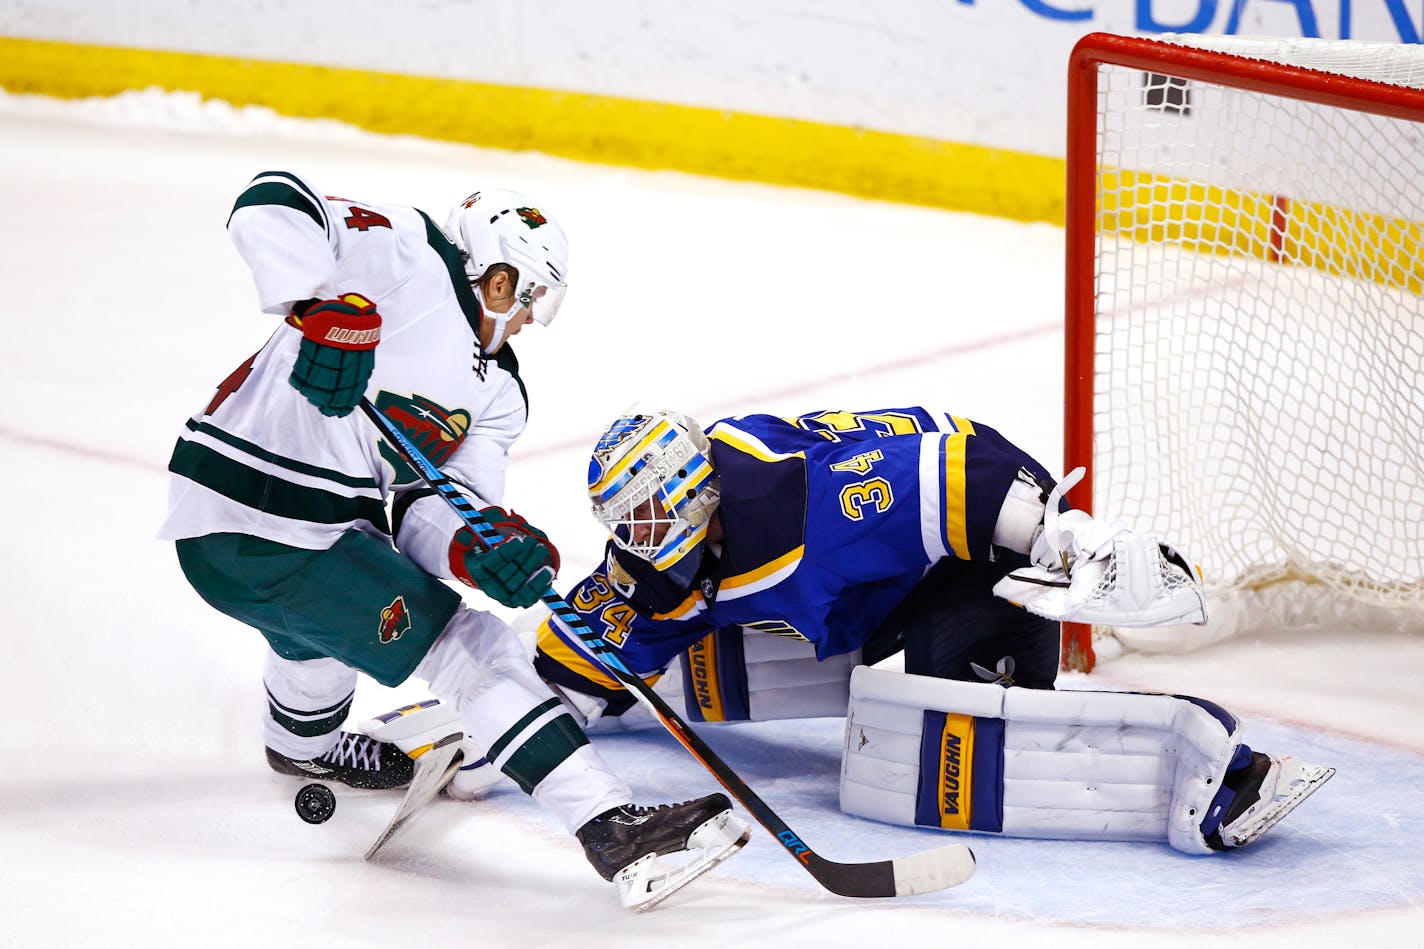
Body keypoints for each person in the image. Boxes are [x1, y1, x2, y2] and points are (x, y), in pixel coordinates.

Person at [157, 172, 747, 909]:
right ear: (499, 279)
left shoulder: (498, 393)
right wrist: (315, 307)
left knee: (327, 624)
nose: (529, 318)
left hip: (283, 539)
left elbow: (434, 510)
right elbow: (271, 200)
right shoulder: (409, 254)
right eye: (529, 297)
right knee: (473, 649)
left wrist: (485, 548)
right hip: (257, 519)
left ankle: (300, 746)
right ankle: (610, 826)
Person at [530, 406, 1334, 855]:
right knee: (685, 668)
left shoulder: (807, 504)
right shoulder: (657, 564)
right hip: (861, 594)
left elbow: (958, 468)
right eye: (622, 520)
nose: (638, 534)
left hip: (966, 555)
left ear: (696, 496)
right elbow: (567, 663)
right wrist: (486, 726)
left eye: (649, 512)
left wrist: (1066, 539)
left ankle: (1224, 772)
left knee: (952, 741)